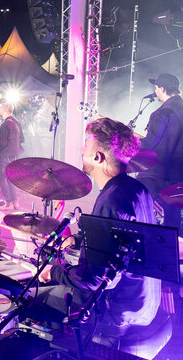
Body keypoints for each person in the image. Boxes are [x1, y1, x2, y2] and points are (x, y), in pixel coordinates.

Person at [35, 117, 160, 335]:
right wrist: (78, 240)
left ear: (97, 157)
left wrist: (52, 272)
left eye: (85, 146)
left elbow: (96, 279)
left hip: (117, 310)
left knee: (32, 297)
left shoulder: (112, 201)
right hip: (143, 303)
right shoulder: (136, 189)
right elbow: (125, 243)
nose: (82, 151)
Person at [138, 73, 183, 228]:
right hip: (179, 174)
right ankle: (171, 247)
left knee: (139, 209)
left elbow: (149, 145)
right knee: (172, 217)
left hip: (155, 174)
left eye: (156, 87)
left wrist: (133, 139)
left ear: (163, 88)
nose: (155, 91)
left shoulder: (160, 113)